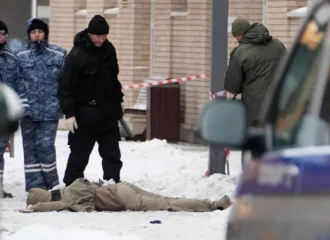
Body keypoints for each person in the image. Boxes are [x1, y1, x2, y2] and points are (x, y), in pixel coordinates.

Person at [58, 15, 124, 186]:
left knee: (112, 155)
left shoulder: (109, 50)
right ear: (89, 34)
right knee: (79, 155)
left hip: (108, 113)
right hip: (84, 114)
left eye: (104, 36)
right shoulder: (77, 54)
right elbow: (66, 86)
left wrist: (118, 104)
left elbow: (113, 81)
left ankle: (113, 186)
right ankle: (72, 187)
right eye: (97, 36)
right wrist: (69, 113)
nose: (101, 40)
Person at [16, 18, 67, 192]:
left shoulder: (59, 54)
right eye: (33, 32)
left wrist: (63, 105)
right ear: (28, 35)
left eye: (40, 31)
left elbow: (65, 82)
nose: (37, 35)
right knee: (30, 150)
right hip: (27, 111)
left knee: (45, 147)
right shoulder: (20, 56)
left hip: (49, 111)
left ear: (46, 33)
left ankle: (52, 184)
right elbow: (17, 82)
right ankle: (35, 188)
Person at [25, 178, 233, 212]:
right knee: (166, 199)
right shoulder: (72, 186)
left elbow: (78, 207)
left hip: (123, 198)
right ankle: (210, 203)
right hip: (121, 188)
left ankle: (214, 205)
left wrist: (36, 208)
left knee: (169, 206)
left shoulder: (69, 197)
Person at [224, 17, 287, 128]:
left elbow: (233, 87)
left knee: (256, 142)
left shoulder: (240, 53)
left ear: (240, 34)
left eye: (236, 36)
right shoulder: (278, 45)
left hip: (255, 112)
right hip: (280, 106)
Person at [0, 21, 31, 197]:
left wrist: (21, 109)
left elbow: (19, 85)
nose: (2, 37)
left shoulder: (11, 59)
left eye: (4, 34)